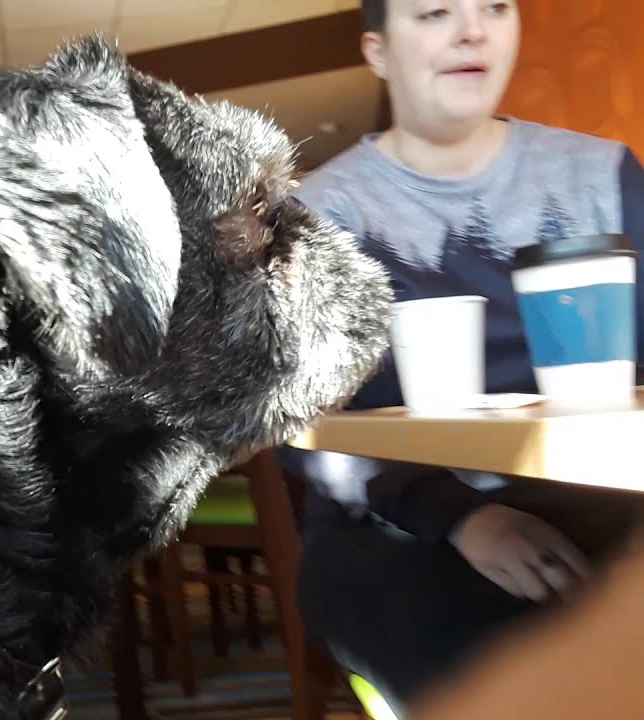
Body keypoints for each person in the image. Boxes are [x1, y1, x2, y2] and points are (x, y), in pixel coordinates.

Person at [276, 0, 644, 715]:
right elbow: (301, 427)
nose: (472, 29)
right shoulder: (317, 218)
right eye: (436, 11)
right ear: (378, 52)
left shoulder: (607, 176)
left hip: (607, 502)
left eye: (495, 7)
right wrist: (462, 519)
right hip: (399, 523)